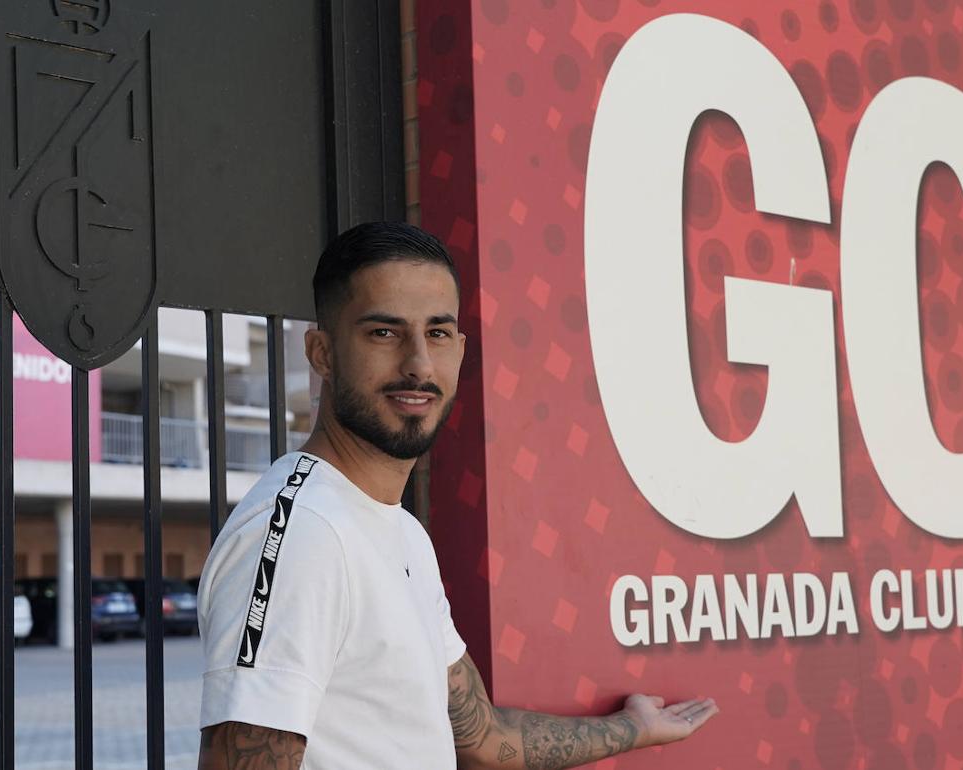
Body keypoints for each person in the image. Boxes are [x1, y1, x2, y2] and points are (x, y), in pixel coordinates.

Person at [196, 222, 719, 769]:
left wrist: (632, 729)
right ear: (321, 353)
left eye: (438, 334)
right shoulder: (303, 533)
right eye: (384, 333)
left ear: (460, 350)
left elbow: (481, 737)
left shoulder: (400, 532)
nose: (419, 363)